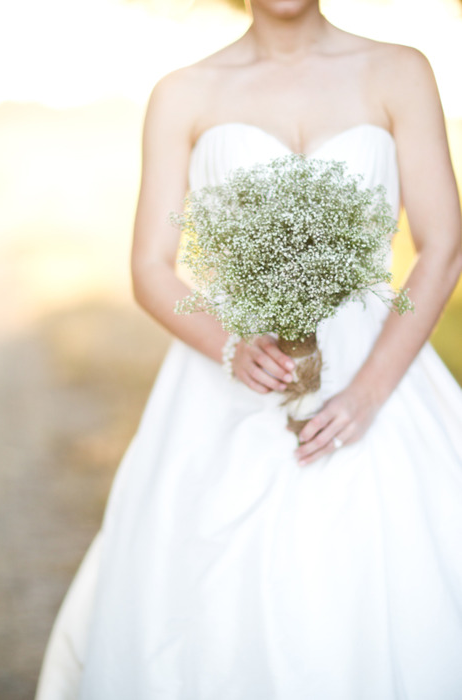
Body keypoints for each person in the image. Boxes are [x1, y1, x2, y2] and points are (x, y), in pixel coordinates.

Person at [36, 1, 462, 698]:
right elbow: (149, 266)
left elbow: (440, 249)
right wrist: (228, 345)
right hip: (224, 378)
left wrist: (368, 389)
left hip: (378, 367)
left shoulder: (398, 71)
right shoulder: (184, 91)